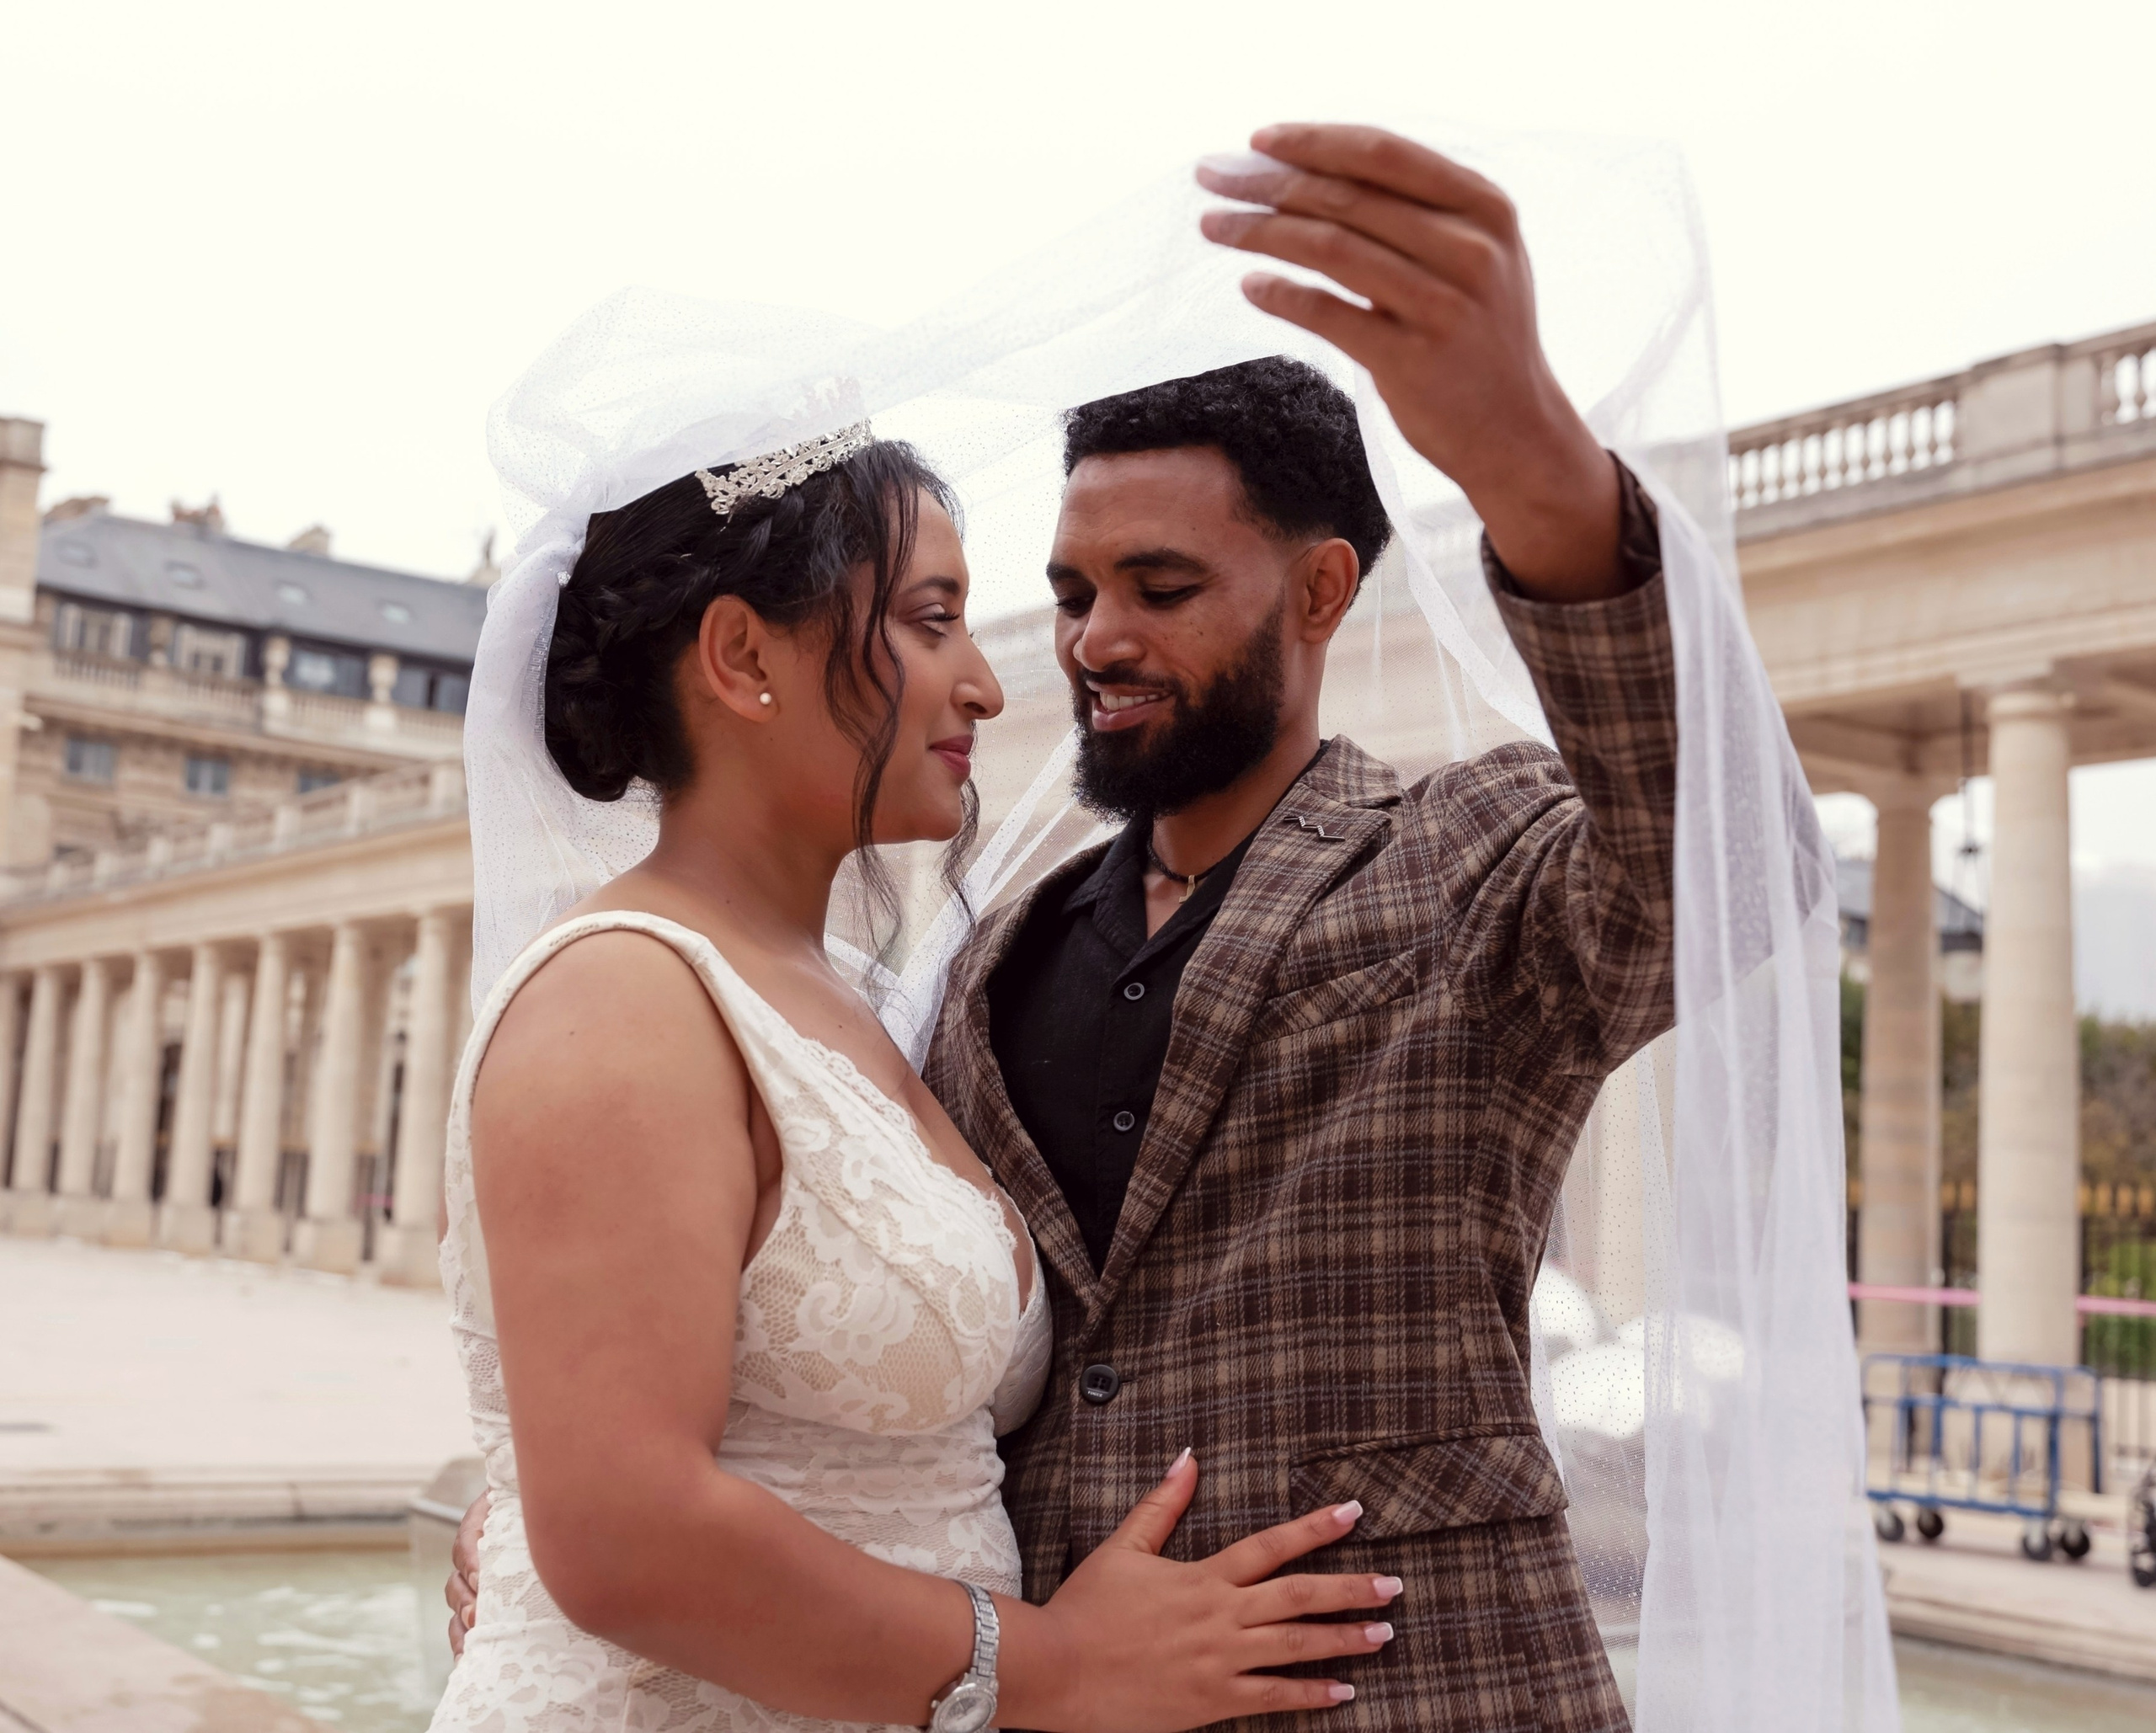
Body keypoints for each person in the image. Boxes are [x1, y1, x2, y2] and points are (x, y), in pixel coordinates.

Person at [449, 125, 1678, 1730]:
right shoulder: (966, 968)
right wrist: (555, 1524)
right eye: (1065, 589)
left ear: (1320, 594)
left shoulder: (1475, 856)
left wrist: (1533, 466)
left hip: (1409, 1692)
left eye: (1159, 586)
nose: (1083, 644)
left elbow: (1708, 877)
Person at [429, 427, 1405, 1733]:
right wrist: (1058, 1664)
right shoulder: (618, 1000)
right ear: (740, 657)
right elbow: (623, 1538)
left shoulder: (864, 995)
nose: (991, 685)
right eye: (931, 620)